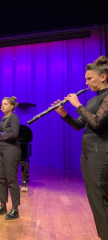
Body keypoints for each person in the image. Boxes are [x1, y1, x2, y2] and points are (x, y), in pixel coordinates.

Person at [53, 56, 108, 239]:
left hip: (100, 150)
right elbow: (79, 125)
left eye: (89, 78)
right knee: (95, 197)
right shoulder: (93, 101)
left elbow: (98, 122)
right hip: (88, 151)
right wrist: (64, 114)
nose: (86, 82)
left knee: (99, 197)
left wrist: (77, 105)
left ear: (103, 77)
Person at [0, 96, 21, 220]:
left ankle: (15, 209)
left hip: (11, 150)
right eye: (2, 104)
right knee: (1, 179)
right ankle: (3, 206)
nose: (2, 106)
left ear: (11, 106)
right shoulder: (3, 119)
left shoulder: (14, 117)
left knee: (11, 180)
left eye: (5, 104)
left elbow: (14, 133)